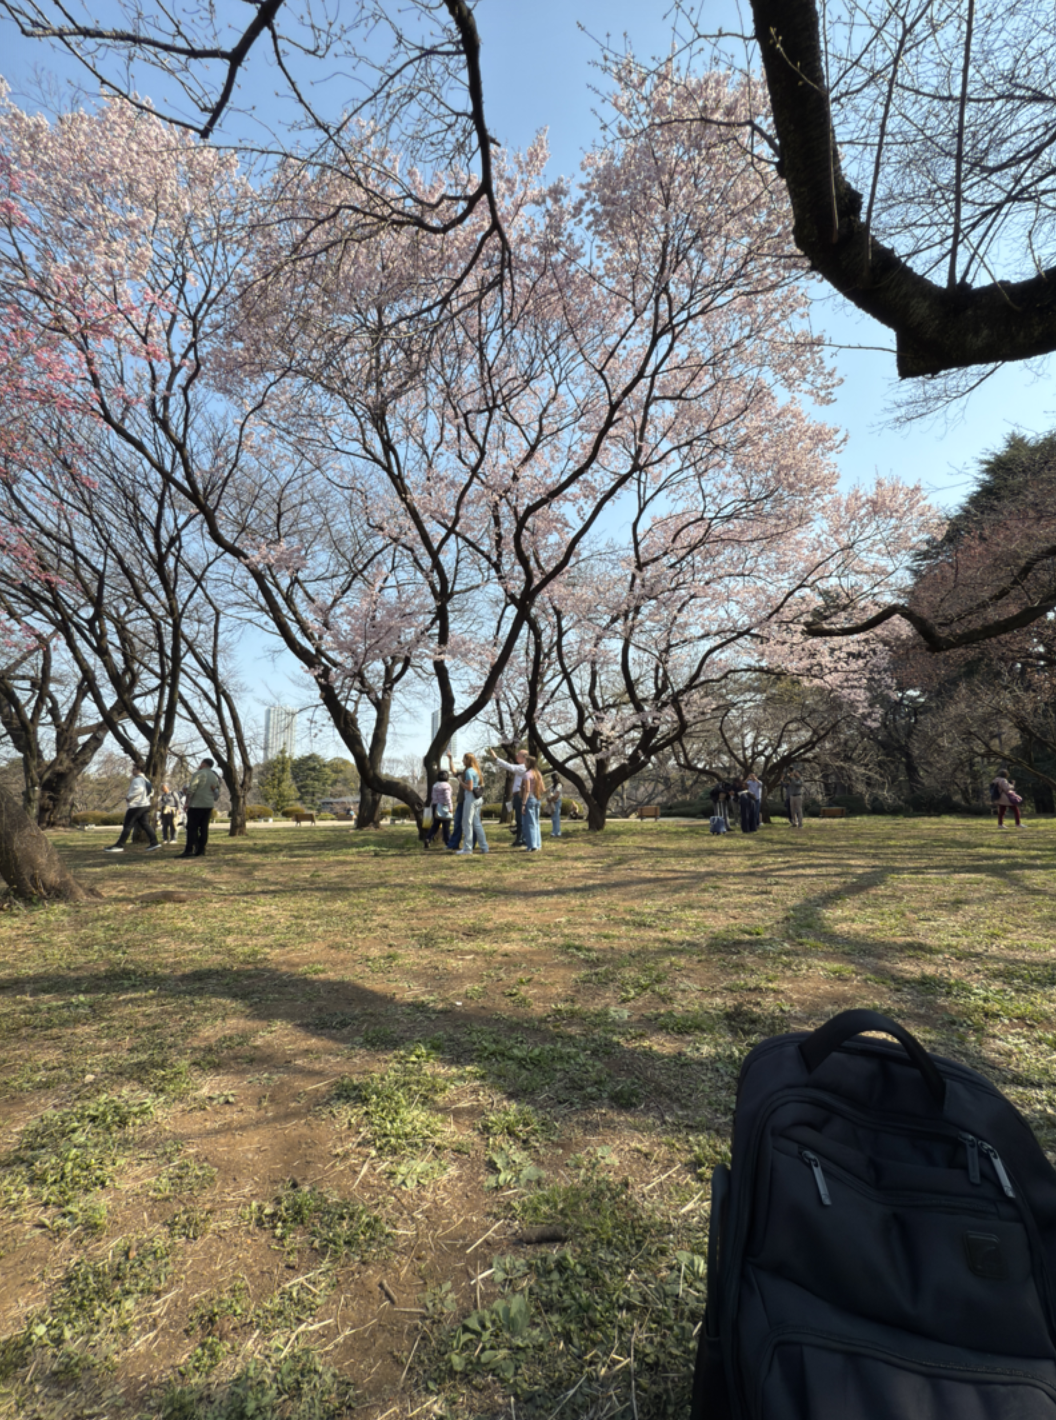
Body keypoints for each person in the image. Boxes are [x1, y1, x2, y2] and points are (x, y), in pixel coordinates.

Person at [104, 761, 162, 853]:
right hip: (145, 805)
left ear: (138, 770)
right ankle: (154, 842)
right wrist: (146, 798)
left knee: (128, 826)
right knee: (145, 824)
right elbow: (152, 792)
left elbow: (139, 790)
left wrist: (129, 797)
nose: (132, 771)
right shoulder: (147, 780)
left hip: (136, 806)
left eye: (133, 769)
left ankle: (119, 845)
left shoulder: (137, 780)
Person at [179, 758, 223, 858]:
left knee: (192, 828)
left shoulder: (199, 774)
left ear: (203, 763)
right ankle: (201, 849)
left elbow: (192, 788)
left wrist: (187, 802)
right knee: (204, 828)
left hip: (196, 804)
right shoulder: (214, 776)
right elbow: (217, 790)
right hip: (208, 805)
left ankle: (189, 849)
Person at [450, 751, 489, 855]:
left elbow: (470, 787)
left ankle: (467, 849)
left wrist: (460, 782)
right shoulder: (477, 771)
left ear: (468, 760)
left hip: (471, 798)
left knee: (467, 823)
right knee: (476, 823)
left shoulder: (468, 772)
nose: (462, 761)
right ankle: (484, 847)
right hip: (478, 798)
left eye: (464, 759)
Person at [488, 746, 528, 845]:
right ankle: (521, 839)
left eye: (518, 755)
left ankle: (521, 839)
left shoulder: (522, 767)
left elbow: (509, 766)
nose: (516, 756)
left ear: (524, 757)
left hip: (519, 795)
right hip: (517, 795)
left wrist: (496, 758)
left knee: (520, 818)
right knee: (519, 818)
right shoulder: (522, 768)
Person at [520, 756, 546, 851]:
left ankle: (532, 845)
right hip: (537, 798)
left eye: (525, 762)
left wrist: (523, 804)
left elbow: (526, 790)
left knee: (530, 823)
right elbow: (542, 789)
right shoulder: (538, 773)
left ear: (529, 763)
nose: (524, 763)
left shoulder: (527, 775)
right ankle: (538, 844)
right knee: (536, 822)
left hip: (529, 799)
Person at [423, 769, 454, 848]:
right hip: (444, 807)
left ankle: (428, 838)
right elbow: (447, 797)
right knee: (446, 826)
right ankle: (448, 842)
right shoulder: (446, 786)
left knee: (435, 825)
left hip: (435, 806)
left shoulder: (435, 785)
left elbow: (433, 796)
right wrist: (450, 807)